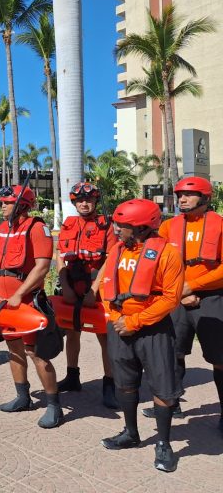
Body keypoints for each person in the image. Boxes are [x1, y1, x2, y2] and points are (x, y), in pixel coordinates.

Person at [100, 199, 183, 473]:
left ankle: (164, 443)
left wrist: (135, 321)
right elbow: (105, 285)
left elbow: (170, 299)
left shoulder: (168, 254)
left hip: (153, 329)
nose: (116, 229)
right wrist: (114, 318)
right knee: (125, 383)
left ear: (141, 228)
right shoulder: (117, 250)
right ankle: (131, 433)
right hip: (119, 327)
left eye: (122, 225)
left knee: (163, 388)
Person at [149, 177, 223, 434]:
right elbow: (156, 262)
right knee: (173, 352)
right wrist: (179, 293)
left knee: (220, 359)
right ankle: (173, 403)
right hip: (176, 299)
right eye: (179, 194)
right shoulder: (168, 226)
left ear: (205, 198)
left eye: (188, 195)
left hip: (211, 299)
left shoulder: (220, 225)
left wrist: (193, 286)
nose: (181, 199)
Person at [0, 185, 62, 429]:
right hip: (4, 303)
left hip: (29, 302)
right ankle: (23, 397)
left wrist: (19, 293)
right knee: (14, 348)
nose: (3, 205)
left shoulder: (38, 228)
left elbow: (42, 266)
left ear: (23, 205)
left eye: (8, 202)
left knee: (37, 353)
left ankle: (53, 405)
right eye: (3, 201)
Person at [56, 182, 118, 409]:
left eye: (89, 200)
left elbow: (111, 258)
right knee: (72, 333)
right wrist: (65, 286)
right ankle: (72, 377)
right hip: (72, 285)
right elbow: (60, 255)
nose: (84, 203)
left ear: (95, 201)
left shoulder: (106, 225)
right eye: (80, 200)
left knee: (105, 338)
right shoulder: (69, 224)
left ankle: (110, 386)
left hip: (97, 290)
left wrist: (95, 289)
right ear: (74, 202)